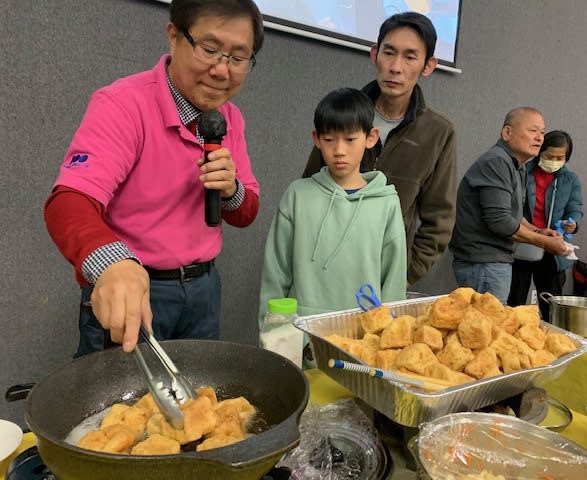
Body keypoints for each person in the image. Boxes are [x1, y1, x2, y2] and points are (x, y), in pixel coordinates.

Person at [44, 0, 264, 355]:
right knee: (122, 405)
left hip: (204, 289)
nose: (222, 71)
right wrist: (113, 263)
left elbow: (246, 212)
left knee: (196, 400)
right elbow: (69, 201)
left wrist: (231, 190)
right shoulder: (122, 104)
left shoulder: (230, 118)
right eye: (209, 50)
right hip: (138, 288)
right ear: (174, 36)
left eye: (238, 58)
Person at [302, 12, 457, 286]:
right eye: (389, 52)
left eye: (410, 57)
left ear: (428, 65)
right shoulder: (343, 113)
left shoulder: (438, 132)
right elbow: (310, 189)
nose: (395, 67)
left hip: (385, 278)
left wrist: (404, 275)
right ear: (374, 54)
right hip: (323, 269)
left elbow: (439, 221)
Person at [259, 87, 407, 324]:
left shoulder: (386, 203)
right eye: (329, 139)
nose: (339, 150)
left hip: (364, 334)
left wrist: (389, 335)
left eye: (350, 139)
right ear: (316, 139)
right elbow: (275, 273)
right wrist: (273, 331)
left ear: (371, 138)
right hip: (302, 330)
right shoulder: (298, 195)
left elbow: (393, 281)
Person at [448, 107, 569, 304]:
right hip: (483, 264)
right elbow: (501, 222)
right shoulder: (496, 162)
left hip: (492, 262)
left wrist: (539, 231)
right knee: (487, 328)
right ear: (507, 133)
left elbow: (513, 215)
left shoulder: (516, 165)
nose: (539, 138)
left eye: (542, 132)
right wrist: (544, 243)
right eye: (532, 131)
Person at [508, 131, 584, 319]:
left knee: (552, 305)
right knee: (514, 302)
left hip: (552, 249)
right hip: (523, 243)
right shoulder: (524, 172)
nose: (554, 161)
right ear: (540, 151)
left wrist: (573, 223)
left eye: (560, 158)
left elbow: (576, 208)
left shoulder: (570, 180)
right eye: (549, 156)